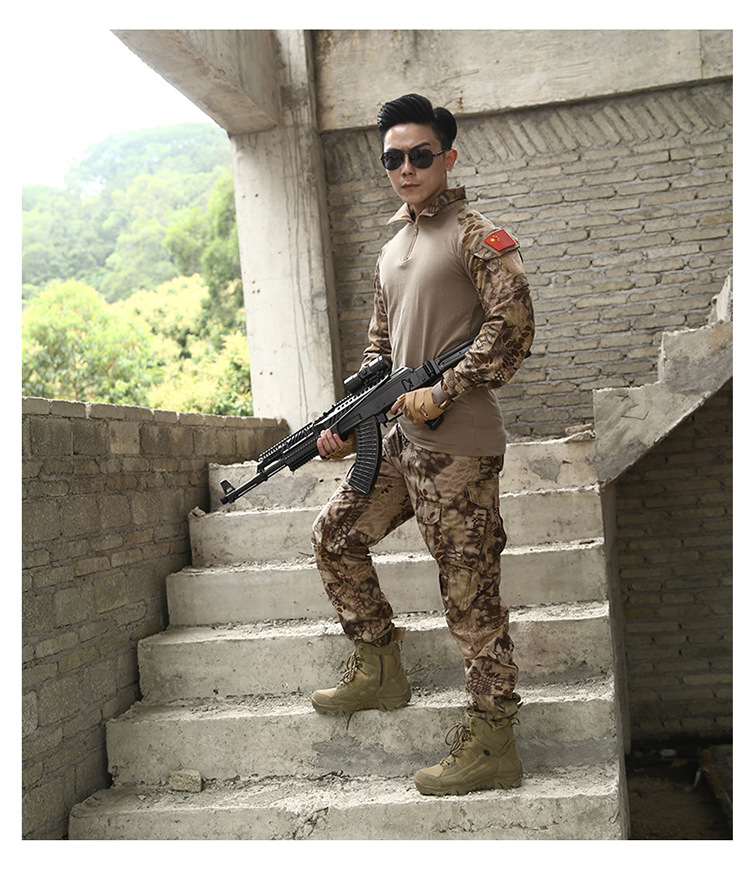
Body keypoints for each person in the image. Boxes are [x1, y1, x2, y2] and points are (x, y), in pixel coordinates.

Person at [310, 93, 534, 797]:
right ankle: (380, 667)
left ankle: (493, 742)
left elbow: (513, 327)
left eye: (419, 155)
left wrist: (445, 390)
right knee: (334, 535)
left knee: (468, 593)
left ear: (447, 158)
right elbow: (380, 352)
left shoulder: (476, 236)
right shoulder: (391, 248)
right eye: (392, 158)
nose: (405, 168)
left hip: (460, 447)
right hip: (399, 443)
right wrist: (351, 421)